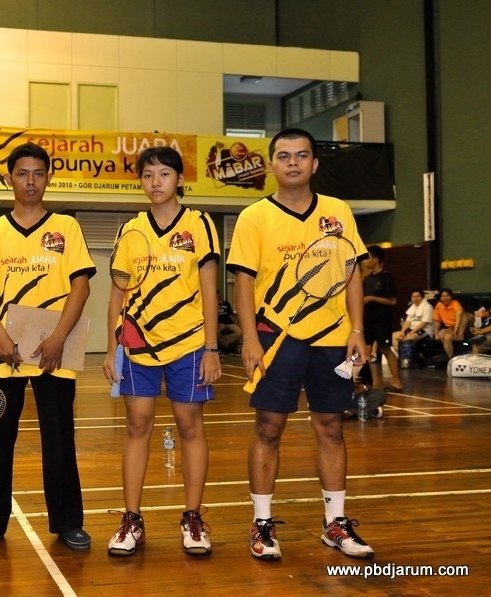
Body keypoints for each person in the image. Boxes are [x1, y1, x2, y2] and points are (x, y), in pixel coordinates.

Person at [226, 128, 374, 561]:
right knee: (268, 428)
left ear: (315, 163)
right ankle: (262, 523)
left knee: (331, 427)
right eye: (284, 155)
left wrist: (357, 330)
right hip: (276, 338)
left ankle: (335, 523)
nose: (293, 162)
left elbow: (352, 273)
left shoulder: (338, 211)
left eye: (302, 155)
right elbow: (243, 283)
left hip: (333, 338)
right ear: (272, 164)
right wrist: (249, 338)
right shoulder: (254, 217)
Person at [0, 142, 96, 553]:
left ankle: (68, 522)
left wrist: (58, 337)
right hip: (4, 349)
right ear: (9, 179)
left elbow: (81, 286)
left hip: (54, 350)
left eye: (38, 173)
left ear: (48, 178)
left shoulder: (66, 227)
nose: (30, 181)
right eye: (22, 173)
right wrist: (0, 335)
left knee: (59, 438)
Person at [102, 146, 221, 557]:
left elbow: (209, 289)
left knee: (190, 426)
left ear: (180, 179)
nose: (156, 182)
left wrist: (212, 347)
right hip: (138, 346)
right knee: (137, 425)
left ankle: (192, 517)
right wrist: (112, 348)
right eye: (148, 175)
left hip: (189, 344)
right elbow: (117, 293)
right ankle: (132, 519)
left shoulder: (200, 224)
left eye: (164, 174)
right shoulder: (129, 229)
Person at [361, 245, 402, 391]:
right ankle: (366, 383)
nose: (365, 261)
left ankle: (397, 382)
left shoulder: (386, 278)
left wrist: (372, 298)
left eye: (367, 258)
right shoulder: (367, 278)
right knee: (365, 350)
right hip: (368, 319)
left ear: (376, 260)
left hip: (382, 319)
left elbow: (392, 301)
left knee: (385, 349)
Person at [432, 288, 466, 358]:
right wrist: (436, 333)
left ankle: (460, 336)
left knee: (464, 316)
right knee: (444, 337)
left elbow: (459, 314)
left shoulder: (455, 303)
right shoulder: (439, 305)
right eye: (443, 296)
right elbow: (437, 320)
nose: (445, 298)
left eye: (447, 296)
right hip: (449, 327)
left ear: (451, 296)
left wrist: (456, 329)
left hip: (460, 325)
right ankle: (451, 357)